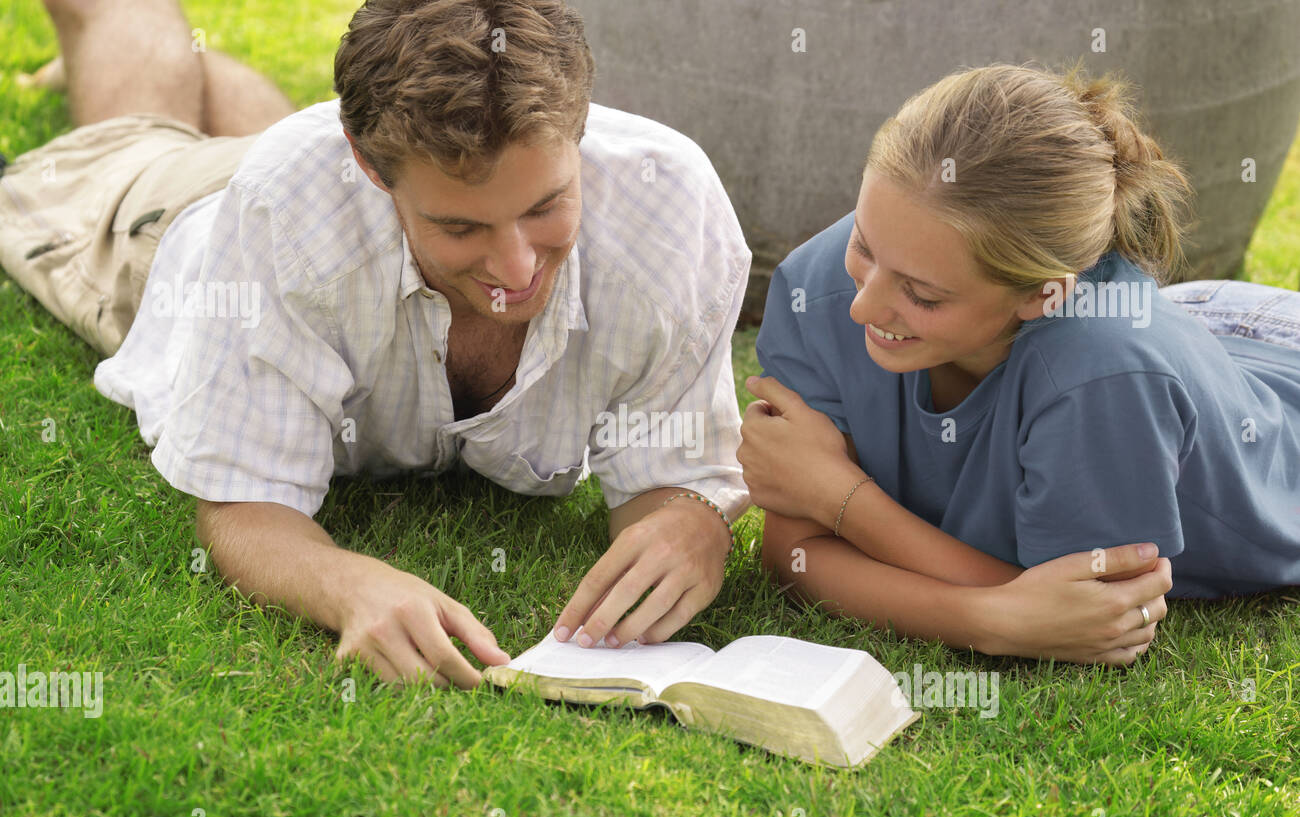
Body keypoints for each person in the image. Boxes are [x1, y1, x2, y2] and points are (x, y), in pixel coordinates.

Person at [0, 0, 751, 685]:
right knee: (128, 139)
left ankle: (201, 68)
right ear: (369, 166)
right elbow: (244, 503)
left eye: (546, 206)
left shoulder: (672, 218)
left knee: (257, 147)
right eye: (461, 227)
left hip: (298, 181)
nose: (516, 269)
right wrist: (348, 584)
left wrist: (691, 519)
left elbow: (677, 477)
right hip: (182, 223)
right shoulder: (282, 214)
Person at [740, 62, 1300, 666]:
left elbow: (1094, 613)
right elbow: (793, 553)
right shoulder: (819, 284)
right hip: (1196, 319)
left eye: (922, 295)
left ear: (1042, 295)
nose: (861, 307)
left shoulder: (1101, 372)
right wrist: (992, 616)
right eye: (864, 245)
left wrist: (839, 496)